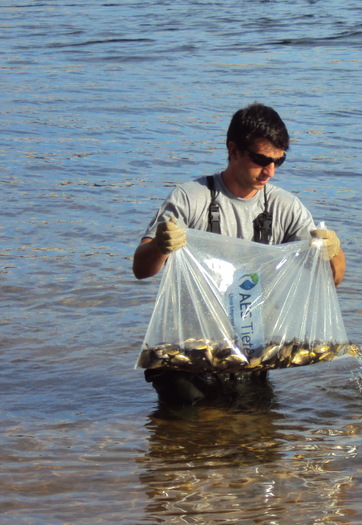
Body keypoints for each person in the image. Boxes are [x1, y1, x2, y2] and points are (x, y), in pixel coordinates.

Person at [133, 102, 346, 406]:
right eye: (261, 160)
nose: (270, 171)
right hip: (186, 354)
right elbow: (142, 269)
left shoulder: (285, 207)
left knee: (257, 430)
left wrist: (333, 252)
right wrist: (159, 245)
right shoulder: (190, 197)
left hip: (250, 352)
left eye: (279, 161)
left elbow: (332, 279)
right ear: (233, 150)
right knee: (188, 423)